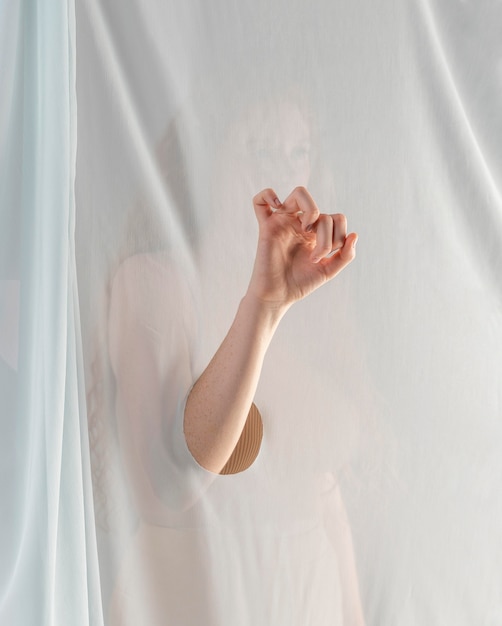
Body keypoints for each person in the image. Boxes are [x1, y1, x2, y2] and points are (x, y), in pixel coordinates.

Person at [184, 186, 358, 472]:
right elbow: (165, 493)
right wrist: (264, 304)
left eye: (299, 152)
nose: (281, 166)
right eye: (260, 150)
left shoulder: (321, 315)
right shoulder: (164, 285)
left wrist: (274, 301)